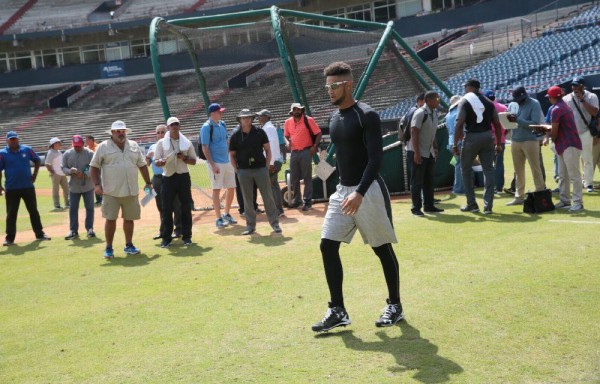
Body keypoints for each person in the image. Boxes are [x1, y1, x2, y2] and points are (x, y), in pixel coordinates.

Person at [312, 61, 402, 333]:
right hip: (343, 191)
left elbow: (375, 160)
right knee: (327, 245)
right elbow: (341, 156)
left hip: (369, 190)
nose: (330, 90)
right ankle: (337, 309)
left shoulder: (367, 115)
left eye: (335, 85)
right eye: (327, 86)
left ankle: (395, 305)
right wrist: (326, 171)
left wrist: (360, 193)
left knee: (381, 248)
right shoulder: (333, 118)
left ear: (348, 85)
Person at [90, 120, 152, 259]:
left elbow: (142, 165)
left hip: (131, 190)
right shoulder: (103, 147)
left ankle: (129, 245)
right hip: (111, 191)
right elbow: (94, 167)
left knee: (129, 219)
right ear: (112, 133)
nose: (120, 133)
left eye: (122, 131)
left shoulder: (134, 145)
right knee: (110, 219)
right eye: (117, 131)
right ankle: (109, 247)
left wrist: (148, 182)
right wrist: (96, 185)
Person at [453, 79, 503, 214]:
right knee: (489, 170)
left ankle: (472, 204)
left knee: (466, 169)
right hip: (487, 137)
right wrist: (498, 143)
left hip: (471, 137)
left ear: (469, 87)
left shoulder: (464, 101)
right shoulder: (488, 102)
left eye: (465, 87)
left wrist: (455, 143)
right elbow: (497, 124)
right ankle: (488, 206)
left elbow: (459, 124)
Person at [229, 109, 282, 235]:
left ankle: (275, 224)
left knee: (268, 196)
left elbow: (268, 150)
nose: (246, 119)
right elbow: (232, 154)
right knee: (247, 200)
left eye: (248, 117)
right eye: (243, 118)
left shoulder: (260, 132)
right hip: (244, 170)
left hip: (260, 169)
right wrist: (236, 170)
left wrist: (266, 165)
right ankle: (250, 226)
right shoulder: (235, 136)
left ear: (252, 119)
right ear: (240, 120)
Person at [532, 86, 583, 212]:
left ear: (551, 97)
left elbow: (554, 130)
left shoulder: (557, 109)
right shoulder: (562, 106)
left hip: (569, 144)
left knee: (573, 175)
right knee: (563, 175)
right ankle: (565, 200)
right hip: (565, 144)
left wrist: (548, 135)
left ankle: (578, 202)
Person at [0, 131, 51, 246]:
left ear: (18, 139)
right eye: (11, 139)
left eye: (15, 139)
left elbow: (37, 160)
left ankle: (40, 234)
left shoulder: (27, 149)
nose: (13, 141)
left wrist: (34, 175)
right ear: (7, 141)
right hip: (11, 188)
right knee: (11, 213)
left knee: (33, 211)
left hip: (27, 187)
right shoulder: (2, 153)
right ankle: (9, 238)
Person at [153, 117, 196, 247]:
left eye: (177, 124)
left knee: (185, 207)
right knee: (166, 208)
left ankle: (187, 236)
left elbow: (193, 161)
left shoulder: (186, 142)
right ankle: (166, 238)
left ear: (180, 126)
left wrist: (184, 158)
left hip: (183, 176)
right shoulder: (161, 143)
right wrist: (161, 162)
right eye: (172, 125)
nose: (175, 126)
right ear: (168, 127)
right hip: (168, 177)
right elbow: (156, 161)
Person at [505, 86, 546, 206]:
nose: (518, 100)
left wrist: (518, 120)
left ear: (524, 95)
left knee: (535, 168)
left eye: (520, 98)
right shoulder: (513, 104)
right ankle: (519, 196)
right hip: (515, 140)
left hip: (530, 140)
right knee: (518, 170)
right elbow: (511, 122)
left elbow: (535, 123)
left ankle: (540, 193)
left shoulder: (535, 103)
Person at [200, 103, 238, 228]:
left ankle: (226, 214)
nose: (221, 113)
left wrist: (231, 156)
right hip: (215, 162)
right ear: (212, 113)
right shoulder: (206, 127)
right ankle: (218, 218)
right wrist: (212, 164)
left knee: (231, 187)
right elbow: (204, 147)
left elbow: (227, 141)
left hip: (226, 161)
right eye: (219, 111)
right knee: (216, 189)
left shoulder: (223, 124)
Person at [408, 91, 443, 216]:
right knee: (417, 181)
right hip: (418, 152)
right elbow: (414, 133)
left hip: (429, 152)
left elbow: (432, 133)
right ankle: (415, 208)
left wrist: (435, 148)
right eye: (436, 99)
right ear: (428, 100)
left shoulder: (434, 112)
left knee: (429, 180)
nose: (438, 101)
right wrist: (417, 153)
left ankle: (429, 206)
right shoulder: (420, 113)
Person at [563, 76, 599, 193]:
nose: (574, 87)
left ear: (582, 85)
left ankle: (588, 184)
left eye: (576, 85)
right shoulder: (566, 98)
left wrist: (583, 99)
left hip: (586, 132)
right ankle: (575, 183)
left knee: (587, 159)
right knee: (572, 160)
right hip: (571, 133)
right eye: (572, 85)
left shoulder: (591, 96)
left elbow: (594, 112)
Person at [284, 102, 322, 211]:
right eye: (295, 109)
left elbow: (318, 133)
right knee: (294, 177)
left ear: (302, 110)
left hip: (306, 151)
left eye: (299, 109)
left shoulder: (308, 120)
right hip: (294, 152)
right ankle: (297, 200)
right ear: (292, 111)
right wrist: (287, 142)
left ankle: (307, 201)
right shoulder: (287, 122)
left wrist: (315, 146)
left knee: (307, 176)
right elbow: (286, 135)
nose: (297, 111)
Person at [146, 124, 182, 241]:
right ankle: (163, 231)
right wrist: (148, 156)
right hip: (157, 179)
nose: (160, 134)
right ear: (155, 134)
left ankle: (178, 230)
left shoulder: (170, 145)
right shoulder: (152, 147)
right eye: (158, 132)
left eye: (162, 132)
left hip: (170, 176)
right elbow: (146, 164)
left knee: (175, 204)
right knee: (161, 206)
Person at [61, 135, 95, 240]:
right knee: (73, 209)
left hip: (88, 186)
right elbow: (63, 168)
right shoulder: (67, 154)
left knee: (89, 208)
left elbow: (95, 167)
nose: (77, 148)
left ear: (83, 144)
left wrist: (85, 174)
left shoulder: (90, 153)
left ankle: (90, 229)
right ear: (73, 145)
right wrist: (70, 171)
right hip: (74, 186)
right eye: (75, 146)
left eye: (79, 146)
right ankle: (73, 231)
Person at [257, 109, 284, 216]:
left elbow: (271, 146)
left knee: (270, 187)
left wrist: (270, 163)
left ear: (267, 117)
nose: (259, 118)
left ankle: (276, 210)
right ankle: (279, 209)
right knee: (274, 186)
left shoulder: (268, 128)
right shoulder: (269, 128)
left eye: (260, 116)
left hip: (272, 162)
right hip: (275, 160)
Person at [484, 90, 509, 193]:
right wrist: (503, 134)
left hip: (488, 139)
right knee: (499, 163)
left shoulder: (484, 108)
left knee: (488, 164)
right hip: (501, 139)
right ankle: (499, 187)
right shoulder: (504, 107)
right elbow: (508, 125)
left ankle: (490, 187)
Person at [401, 93, 426, 187]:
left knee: (420, 175)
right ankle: (418, 200)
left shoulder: (411, 111)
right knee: (417, 177)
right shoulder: (416, 112)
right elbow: (413, 132)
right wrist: (417, 152)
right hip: (414, 148)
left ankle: (424, 198)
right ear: (420, 101)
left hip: (412, 147)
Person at [446, 95, 464, 194]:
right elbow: (459, 128)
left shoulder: (448, 114)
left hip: (451, 141)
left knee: (457, 164)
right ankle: (459, 189)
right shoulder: (458, 113)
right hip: (458, 142)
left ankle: (458, 187)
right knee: (460, 165)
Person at [45, 137, 69, 209]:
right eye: (58, 143)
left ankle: (67, 203)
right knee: (56, 190)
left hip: (62, 173)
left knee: (66, 188)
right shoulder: (51, 152)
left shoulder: (58, 151)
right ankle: (57, 205)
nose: (60, 144)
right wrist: (52, 172)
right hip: (56, 174)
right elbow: (47, 163)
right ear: (53, 144)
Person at [85, 135, 102, 205]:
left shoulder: (98, 147)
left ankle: (103, 198)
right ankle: (98, 199)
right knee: (93, 183)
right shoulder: (86, 149)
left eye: (87, 140)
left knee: (101, 182)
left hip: (99, 167)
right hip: (91, 168)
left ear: (91, 140)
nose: (85, 141)